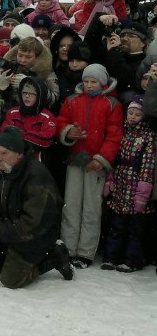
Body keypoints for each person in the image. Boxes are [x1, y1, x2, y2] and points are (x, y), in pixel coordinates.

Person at [0, 125, 73, 286]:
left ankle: (54, 256)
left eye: (4, 153)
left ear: (19, 154)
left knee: (10, 281)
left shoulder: (36, 175)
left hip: (36, 236)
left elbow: (34, 224)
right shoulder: (1, 171)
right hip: (11, 226)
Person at [56, 63, 124, 267]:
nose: (88, 85)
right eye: (86, 81)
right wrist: (68, 131)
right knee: (72, 204)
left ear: (102, 82)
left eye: (93, 81)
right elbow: (61, 121)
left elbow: (114, 135)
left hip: (96, 163)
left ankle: (85, 252)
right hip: (75, 159)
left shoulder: (112, 104)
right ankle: (68, 248)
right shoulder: (72, 100)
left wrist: (101, 159)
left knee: (91, 208)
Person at [101, 97, 155, 272]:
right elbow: (114, 159)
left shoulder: (148, 137)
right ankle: (111, 257)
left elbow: (148, 165)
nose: (132, 117)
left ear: (144, 117)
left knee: (135, 230)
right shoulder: (122, 132)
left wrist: (143, 193)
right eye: (130, 113)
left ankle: (133, 259)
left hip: (136, 188)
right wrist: (110, 180)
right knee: (116, 225)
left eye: (137, 114)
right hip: (120, 185)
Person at [2, 76, 57, 155]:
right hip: (12, 157)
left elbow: (47, 138)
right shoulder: (13, 112)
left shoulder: (47, 116)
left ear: (39, 96)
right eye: (24, 93)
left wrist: (20, 134)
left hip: (35, 159)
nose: (27, 96)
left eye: (31, 93)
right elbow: (5, 131)